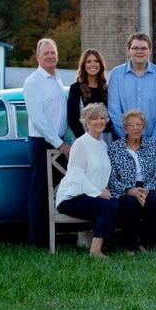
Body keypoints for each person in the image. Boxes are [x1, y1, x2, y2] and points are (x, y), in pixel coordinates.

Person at [55, 103, 118, 258]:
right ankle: (95, 250)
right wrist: (98, 193)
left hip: (90, 196)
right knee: (108, 207)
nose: (99, 121)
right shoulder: (80, 143)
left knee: (119, 204)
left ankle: (101, 241)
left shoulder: (103, 145)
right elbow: (78, 177)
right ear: (87, 122)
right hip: (71, 197)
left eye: (102, 118)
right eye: (94, 118)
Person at [23, 37, 69, 247]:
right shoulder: (33, 82)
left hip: (58, 141)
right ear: (38, 56)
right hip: (43, 142)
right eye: (46, 54)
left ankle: (54, 234)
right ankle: (37, 240)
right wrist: (59, 143)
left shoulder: (57, 79)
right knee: (40, 191)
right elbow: (38, 118)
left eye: (53, 53)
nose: (50, 56)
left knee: (56, 189)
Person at [107, 109, 156, 253]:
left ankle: (146, 243)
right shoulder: (115, 147)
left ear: (143, 127)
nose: (135, 128)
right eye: (131, 125)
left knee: (155, 202)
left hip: (147, 187)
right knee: (130, 203)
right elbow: (112, 176)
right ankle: (129, 245)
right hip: (125, 188)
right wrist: (128, 190)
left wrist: (147, 189)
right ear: (125, 128)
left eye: (139, 125)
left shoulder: (151, 145)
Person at [107, 32, 156, 143]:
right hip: (123, 142)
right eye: (135, 48)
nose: (139, 51)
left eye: (144, 48)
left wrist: (153, 140)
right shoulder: (116, 74)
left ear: (149, 51)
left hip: (155, 142)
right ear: (129, 50)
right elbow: (114, 111)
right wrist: (128, 139)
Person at [67, 49, 111, 139]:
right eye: (88, 61)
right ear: (83, 65)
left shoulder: (107, 89)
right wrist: (86, 140)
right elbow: (72, 120)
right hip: (84, 138)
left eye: (96, 61)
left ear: (100, 65)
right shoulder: (75, 88)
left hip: (106, 138)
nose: (93, 64)